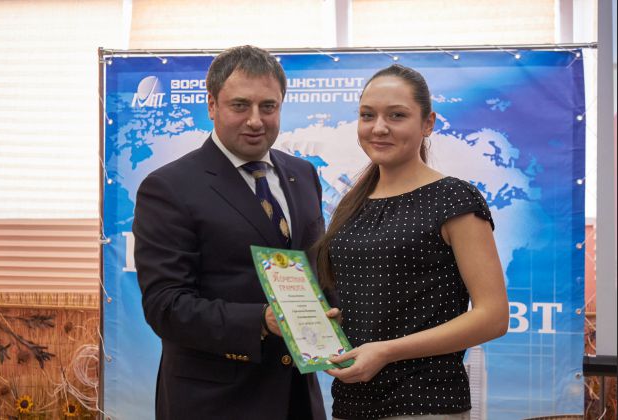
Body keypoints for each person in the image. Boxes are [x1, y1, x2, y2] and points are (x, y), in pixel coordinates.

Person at [133, 45, 328, 420]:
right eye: (240, 105)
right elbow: (165, 305)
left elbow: (315, 270)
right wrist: (262, 320)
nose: (255, 120)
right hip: (214, 402)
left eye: (268, 106)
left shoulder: (302, 174)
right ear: (212, 105)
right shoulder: (169, 187)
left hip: (298, 399)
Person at [316, 64, 509, 420]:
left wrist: (386, 351)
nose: (379, 127)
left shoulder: (453, 198)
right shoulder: (352, 204)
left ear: (427, 123)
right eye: (367, 115)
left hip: (425, 402)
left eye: (397, 115)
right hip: (351, 402)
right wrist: (336, 320)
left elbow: (493, 317)